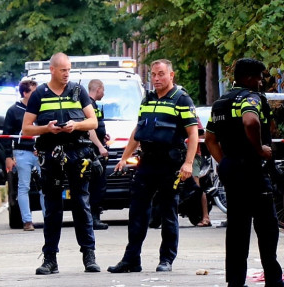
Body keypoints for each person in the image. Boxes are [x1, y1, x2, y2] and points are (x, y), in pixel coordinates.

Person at [205, 58, 284, 287]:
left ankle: (235, 285)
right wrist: (259, 149)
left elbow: (210, 139)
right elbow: (250, 120)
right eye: (258, 77)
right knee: (267, 228)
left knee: (237, 229)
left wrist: (225, 162)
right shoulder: (251, 98)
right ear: (248, 77)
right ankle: (274, 283)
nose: (260, 82)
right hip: (252, 170)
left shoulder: (220, 102)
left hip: (232, 171)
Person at [108, 60, 199, 274]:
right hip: (147, 162)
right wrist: (124, 156)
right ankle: (131, 260)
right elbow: (137, 130)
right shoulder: (147, 99)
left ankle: (166, 259)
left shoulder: (181, 99)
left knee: (168, 212)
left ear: (171, 75)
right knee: (137, 212)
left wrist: (188, 163)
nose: (156, 79)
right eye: (153, 75)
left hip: (170, 164)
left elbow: (193, 133)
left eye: (161, 74)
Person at [22, 53, 100, 275]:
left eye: (69, 70)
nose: (67, 74)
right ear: (52, 70)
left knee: (81, 204)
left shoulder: (78, 91)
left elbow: (93, 121)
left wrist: (76, 125)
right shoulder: (39, 94)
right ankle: (50, 259)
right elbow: (26, 128)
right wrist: (47, 128)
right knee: (53, 207)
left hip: (77, 151)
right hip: (51, 153)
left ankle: (89, 256)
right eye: (63, 70)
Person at [4, 80, 44, 232]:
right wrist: (8, 156)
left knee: (46, 186)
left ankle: (49, 218)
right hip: (22, 152)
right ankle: (27, 220)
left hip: (39, 152)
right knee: (23, 186)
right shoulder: (14, 111)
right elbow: (6, 135)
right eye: (34, 92)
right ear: (25, 93)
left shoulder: (40, 109)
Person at [86, 79, 110, 231]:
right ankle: (93, 218)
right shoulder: (89, 104)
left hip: (96, 149)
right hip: (94, 153)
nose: (104, 93)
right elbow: (90, 130)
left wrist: (103, 136)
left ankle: (94, 217)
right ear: (98, 89)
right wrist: (100, 146)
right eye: (103, 90)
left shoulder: (92, 105)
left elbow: (97, 127)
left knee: (98, 185)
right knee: (96, 186)